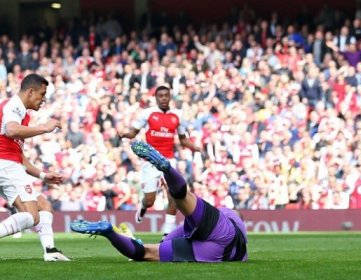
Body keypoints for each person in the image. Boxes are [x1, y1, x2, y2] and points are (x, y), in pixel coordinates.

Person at [71, 141, 247, 262]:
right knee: (145, 253)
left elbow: (181, 207)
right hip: (212, 251)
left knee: (183, 196)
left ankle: (167, 168)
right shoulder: (241, 240)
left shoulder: (229, 215)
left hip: (221, 232)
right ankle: (109, 232)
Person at [0, 73, 69, 261]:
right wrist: (44, 128)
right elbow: (11, 130)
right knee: (32, 216)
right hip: (5, 164)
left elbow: (20, 157)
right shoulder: (13, 106)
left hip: (9, 164)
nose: (43, 100)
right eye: (42, 94)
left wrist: (44, 176)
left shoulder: (22, 115)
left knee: (44, 205)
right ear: (30, 92)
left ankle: (50, 251)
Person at [119, 86, 201, 235]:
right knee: (150, 200)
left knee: (173, 195)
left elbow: (183, 140)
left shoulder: (177, 116)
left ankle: (167, 233)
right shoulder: (148, 113)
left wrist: (195, 147)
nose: (163, 98)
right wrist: (124, 134)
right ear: (156, 98)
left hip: (169, 161)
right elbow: (133, 132)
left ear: (170, 97)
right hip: (151, 161)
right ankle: (143, 206)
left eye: (166, 96)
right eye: (160, 96)